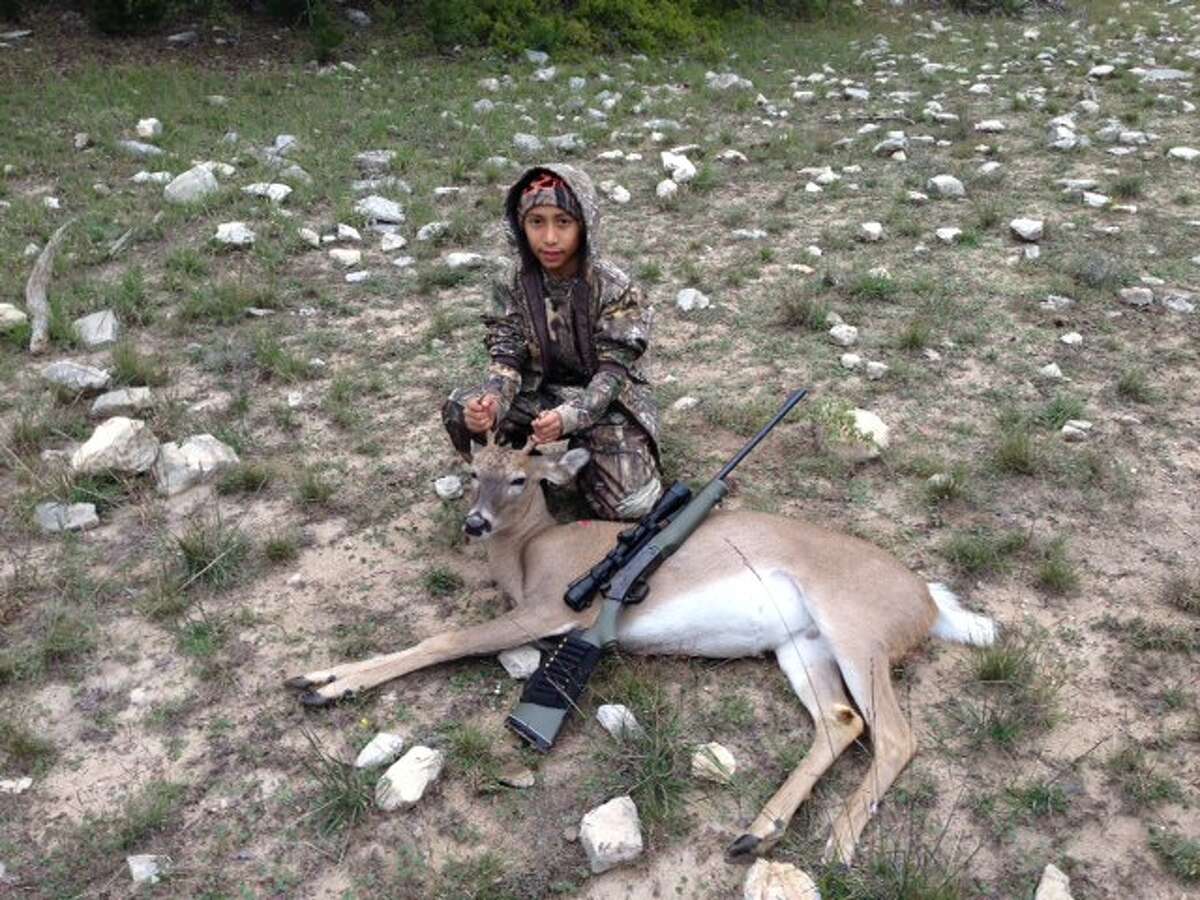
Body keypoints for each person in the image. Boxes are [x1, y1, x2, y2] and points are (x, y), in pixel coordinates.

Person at [442, 163, 662, 521]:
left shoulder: (617, 288)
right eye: (536, 222)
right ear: (520, 226)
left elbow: (612, 374)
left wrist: (569, 418)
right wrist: (491, 404)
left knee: (632, 504)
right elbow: (506, 355)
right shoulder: (509, 282)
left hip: (607, 402)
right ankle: (511, 476)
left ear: (584, 225)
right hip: (537, 394)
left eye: (563, 222)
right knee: (459, 409)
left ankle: (582, 461)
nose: (549, 238)